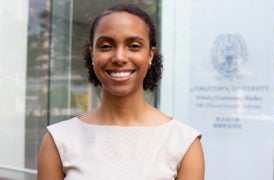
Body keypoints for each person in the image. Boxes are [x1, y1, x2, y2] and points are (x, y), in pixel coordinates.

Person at [37, 3, 204, 180]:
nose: (119, 57)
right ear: (92, 54)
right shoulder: (59, 140)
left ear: (150, 55)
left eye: (133, 46)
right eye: (106, 46)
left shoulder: (183, 143)